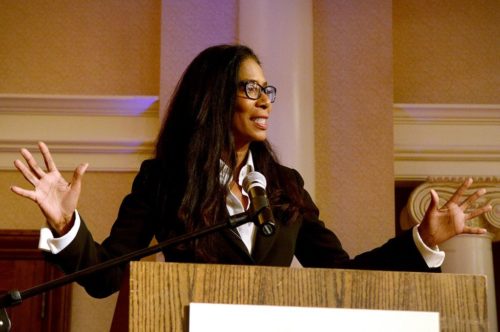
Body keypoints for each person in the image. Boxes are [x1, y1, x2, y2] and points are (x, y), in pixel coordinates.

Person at [11, 44, 491, 299]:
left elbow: (342, 275)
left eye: (269, 90)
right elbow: (105, 278)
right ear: (214, 98)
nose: (265, 102)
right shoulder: (163, 181)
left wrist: (421, 241)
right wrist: (64, 225)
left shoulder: (284, 187)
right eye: (251, 89)